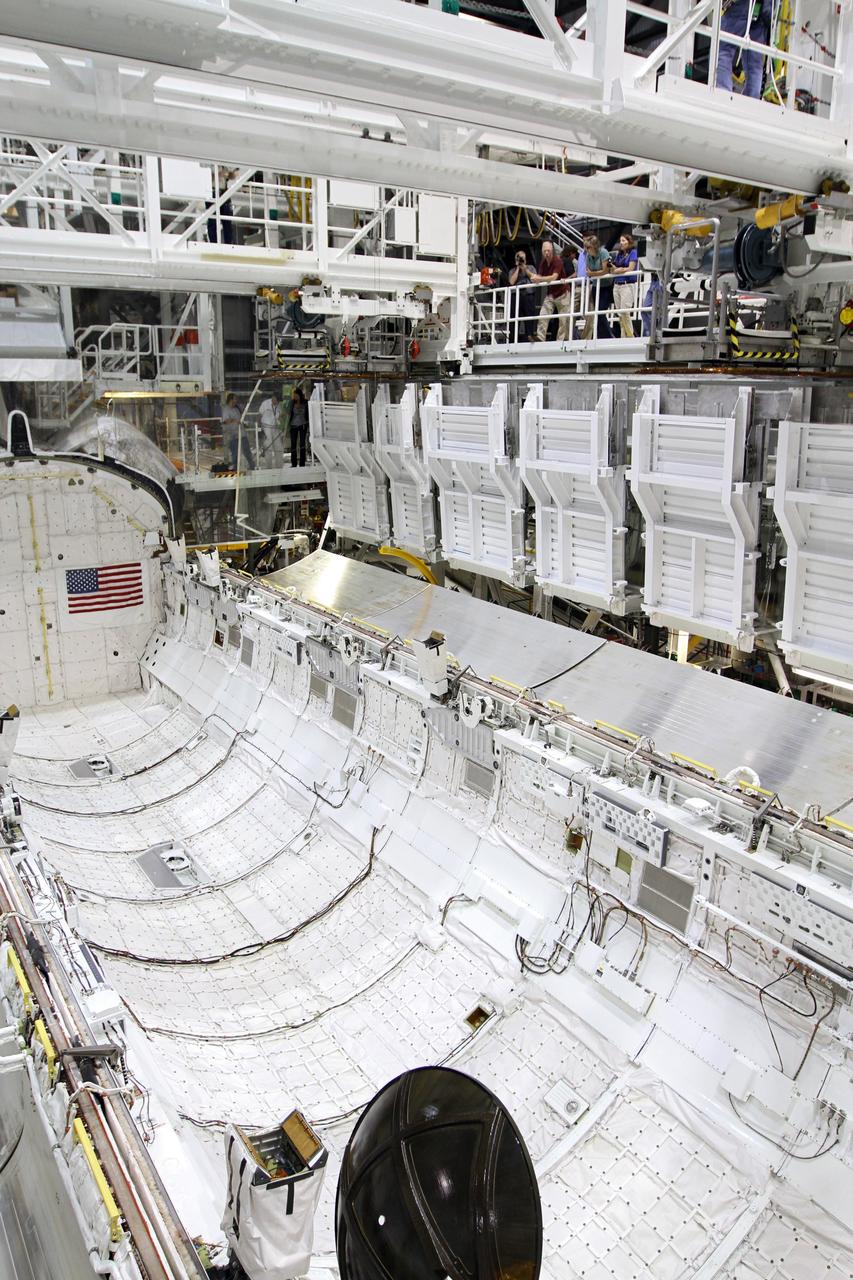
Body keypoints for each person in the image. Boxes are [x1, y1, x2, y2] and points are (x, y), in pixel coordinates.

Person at [716, 0, 771, 99]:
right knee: (754, 64)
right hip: (764, 9)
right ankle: (750, 102)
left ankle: (723, 94)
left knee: (723, 49)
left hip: (743, 5)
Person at [531, 240, 574, 342]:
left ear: (552, 251)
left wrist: (539, 279)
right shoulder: (543, 263)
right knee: (543, 314)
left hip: (563, 293)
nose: (547, 253)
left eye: (548, 250)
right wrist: (534, 277)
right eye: (545, 251)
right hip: (551, 294)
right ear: (542, 251)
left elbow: (554, 277)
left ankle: (561, 340)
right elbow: (540, 276)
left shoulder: (557, 261)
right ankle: (540, 337)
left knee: (563, 319)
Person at [581, 235, 612, 340]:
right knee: (596, 313)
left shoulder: (603, 252)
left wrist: (593, 273)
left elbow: (605, 271)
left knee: (600, 312)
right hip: (595, 286)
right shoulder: (588, 256)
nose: (586, 250)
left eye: (588, 247)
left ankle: (608, 336)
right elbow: (588, 272)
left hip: (606, 286)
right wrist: (595, 274)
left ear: (594, 246)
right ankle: (600, 336)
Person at [611, 233, 639, 338]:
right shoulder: (619, 254)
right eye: (620, 241)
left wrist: (619, 270)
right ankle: (624, 336)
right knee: (619, 314)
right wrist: (615, 269)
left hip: (627, 285)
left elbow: (631, 268)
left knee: (625, 312)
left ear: (629, 241)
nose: (621, 243)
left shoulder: (633, 252)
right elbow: (614, 269)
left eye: (623, 241)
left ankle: (630, 336)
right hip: (617, 285)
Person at [508, 249, 537, 341]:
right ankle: (513, 338)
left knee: (529, 316)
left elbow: (533, 278)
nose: (520, 260)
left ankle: (529, 335)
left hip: (528, 295)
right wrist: (517, 268)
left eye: (522, 258)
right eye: (519, 258)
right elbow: (511, 282)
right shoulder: (512, 270)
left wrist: (524, 268)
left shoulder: (531, 268)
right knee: (514, 318)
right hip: (515, 296)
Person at [221, 392, 254, 470]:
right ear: (231, 399)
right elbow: (225, 421)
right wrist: (234, 420)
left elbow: (240, 420)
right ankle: (235, 469)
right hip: (233, 435)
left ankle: (252, 466)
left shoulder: (236, 409)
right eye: (235, 399)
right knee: (235, 454)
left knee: (247, 451)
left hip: (242, 434)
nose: (236, 400)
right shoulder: (226, 409)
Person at [258, 389, 283, 466]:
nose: (278, 402)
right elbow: (259, 415)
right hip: (266, 428)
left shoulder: (278, 405)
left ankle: (279, 465)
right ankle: (269, 466)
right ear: (273, 398)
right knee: (268, 447)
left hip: (275, 427)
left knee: (279, 447)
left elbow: (279, 416)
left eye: (279, 401)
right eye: (277, 400)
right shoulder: (265, 404)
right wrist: (259, 429)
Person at [289, 387, 309, 468]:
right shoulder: (292, 403)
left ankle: (302, 463)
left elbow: (308, 413)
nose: (295, 397)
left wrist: (308, 422)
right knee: (293, 444)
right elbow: (289, 413)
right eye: (294, 395)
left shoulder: (305, 403)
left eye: (296, 395)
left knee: (302, 444)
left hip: (302, 425)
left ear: (300, 395)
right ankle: (293, 463)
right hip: (293, 426)